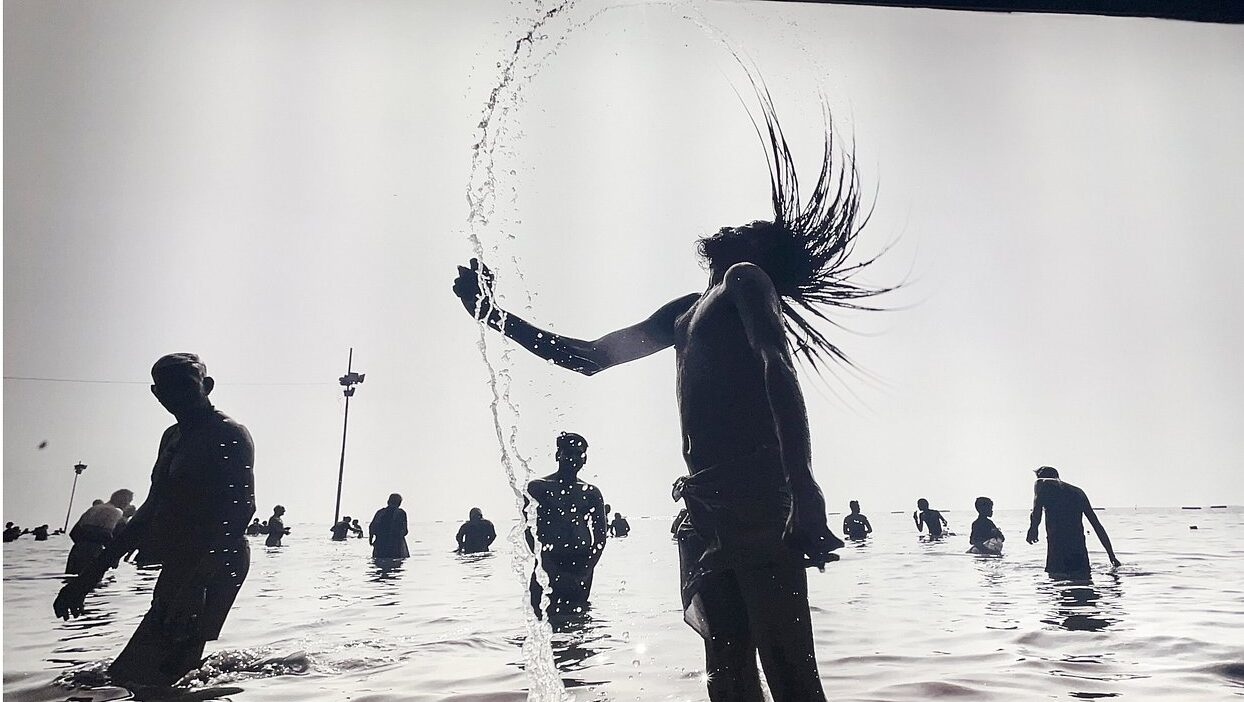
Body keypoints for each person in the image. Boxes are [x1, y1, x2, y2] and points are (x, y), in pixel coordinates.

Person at [452, 79, 888, 698]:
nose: (731, 229)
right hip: (704, 510)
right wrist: (493, 314)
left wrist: (805, 488)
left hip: (760, 499)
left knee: (790, 672)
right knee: (727, 675)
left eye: (747, 228)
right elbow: (589, 358)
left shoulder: (745, 278)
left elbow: (778, 367)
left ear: (762, 253)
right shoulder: (684, 311)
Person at [52, 353, 255, 688]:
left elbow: (240, 511)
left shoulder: (228, 433)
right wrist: (89, 576)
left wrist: (196, 586)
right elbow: (151, 509)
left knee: (151, 677)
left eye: (186, 386)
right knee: (147, 674)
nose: (176, 396)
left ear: (207, 386)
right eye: (168, 389)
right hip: (181, 560)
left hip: (217, 561)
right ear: (156, 394)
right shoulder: (172, 438)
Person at [524, 433, 607, 616]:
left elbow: (601, 539)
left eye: (579, 454)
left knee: (578, 624)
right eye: (568, 452)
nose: (574, 458)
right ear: (557, 455)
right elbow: (528, 531)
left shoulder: (591, 493)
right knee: (539, 619)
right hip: (547, 565)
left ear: (585, 459)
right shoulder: (538, 488)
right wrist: (549, 567)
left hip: (581, 567)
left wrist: (585, 571)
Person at [1026, 466, 1121, 578]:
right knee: (1083, 585)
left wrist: (1033, 528)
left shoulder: (1041, 484)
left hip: (1058, 549)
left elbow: (1037, 510)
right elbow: (1096, 525)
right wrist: (1111, 555)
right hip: (1079, 550)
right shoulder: (1078, 492)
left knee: (1058, 586)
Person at [65, 489, 134, 574]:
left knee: (71, 581)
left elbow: (73, 533)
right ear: (124, 500)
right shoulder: (115, 512)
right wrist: (112, 556)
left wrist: (82, 544)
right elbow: (106, 534)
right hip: (94, 551)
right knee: (90, 581)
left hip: (76, 551)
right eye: (129, 501)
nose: (128, 505)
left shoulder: (93, 509)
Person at [369, 494, 409, 559]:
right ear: (399, 503)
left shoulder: (380, 512)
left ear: (388, 501)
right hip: (395, 545)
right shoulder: (401, 513)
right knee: (396, 565)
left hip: (380, 544)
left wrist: (370, 539)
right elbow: (405, 531)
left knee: (379, 565)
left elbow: (372, 526)